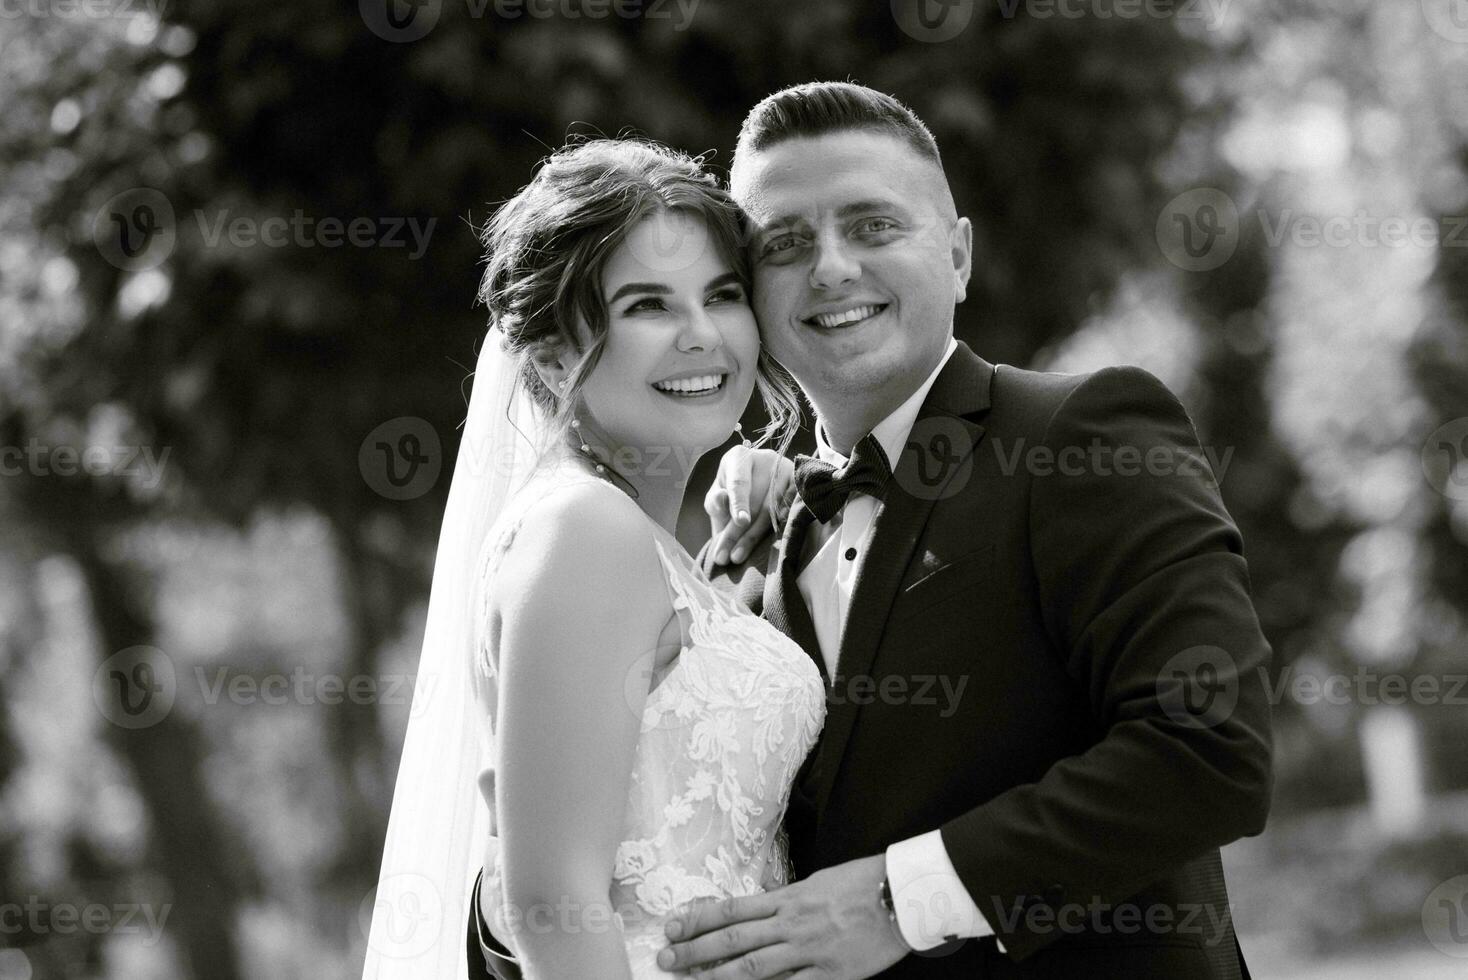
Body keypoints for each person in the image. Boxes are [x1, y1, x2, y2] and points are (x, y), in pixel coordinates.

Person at [472, 82, 1274, 980]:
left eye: (873, 227)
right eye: (783, 244)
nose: (831, 269)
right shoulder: (742, 544)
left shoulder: (1082, 435)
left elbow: (1211, 750)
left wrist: (900, 899)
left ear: (961, 256)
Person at [362, 137, 819, 980]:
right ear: (551, 355)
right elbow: (552, 905)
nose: (702, 336)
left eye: (721, 295)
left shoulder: (632, 537)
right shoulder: (585, 530)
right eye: (647, 306)